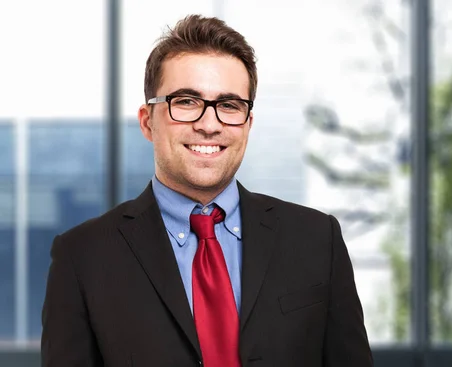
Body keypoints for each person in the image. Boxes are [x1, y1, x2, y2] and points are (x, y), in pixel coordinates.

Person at [41, 14, 373, 367]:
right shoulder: (82, 257)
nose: (209, 124)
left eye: (229, 105)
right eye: (186, 102)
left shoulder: (318, 240)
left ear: (248, 124)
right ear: (147, 121)